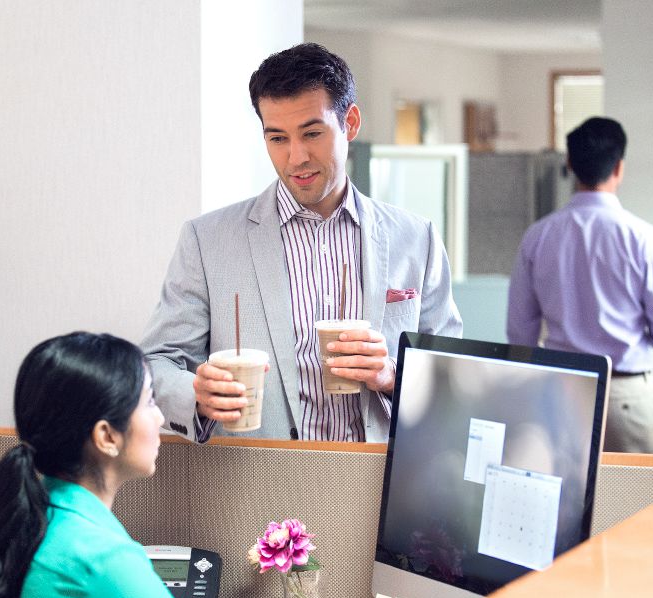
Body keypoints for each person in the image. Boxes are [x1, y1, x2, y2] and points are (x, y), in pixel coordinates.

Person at [142, 43, 462, 444]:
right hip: (256, 481)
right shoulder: (206, 241)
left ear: (351, 123)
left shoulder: (417, 239)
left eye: (312, 133)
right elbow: (157, 362)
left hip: (378, 482)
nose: (296, 158)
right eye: (277, 138)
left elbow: (453, 372)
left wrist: (393, 376)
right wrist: (197, 394)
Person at [0, 331, 303, 598]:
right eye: (149, 402)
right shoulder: (105, 560)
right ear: (107, 436)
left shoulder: (42, 520)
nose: (160, 418)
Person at [507, 117, 653, 454]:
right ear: (619, 167)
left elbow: (520, 336)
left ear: (569, 165)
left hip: (558, 393)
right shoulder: (644, 239)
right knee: (639, 502)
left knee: (561, 503)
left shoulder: (538, 236)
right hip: (626, 397)